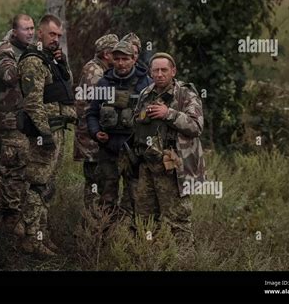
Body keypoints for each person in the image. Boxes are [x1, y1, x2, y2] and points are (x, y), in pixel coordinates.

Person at [131, 52, 206, 252]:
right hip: (148, 165)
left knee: (177, 221)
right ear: (150, 72)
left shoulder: (185, 94)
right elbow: (136, 124)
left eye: (164, 70)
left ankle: (184, 262)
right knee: (145, 219)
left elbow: (196, 126)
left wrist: (169, 114)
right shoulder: (145, 93)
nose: (160, 74)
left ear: (173, 71)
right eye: (155, 70)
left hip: (174, 168)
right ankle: (152, 258)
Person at [17, 14, 76, 257]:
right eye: (52, 34)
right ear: (39, 33)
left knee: (47, 186)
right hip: (45, 134)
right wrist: (45, 133)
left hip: (58, 130)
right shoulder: (33, 60)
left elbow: (65, 87)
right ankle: (30, 237)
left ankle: (42, 234)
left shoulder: (50, 59)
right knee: (37, 186)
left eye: (59, 36)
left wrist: (62, 65)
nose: (56, 39)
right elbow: (33, 103)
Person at [86, 41, 152, 214]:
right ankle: (104, 236)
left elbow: (154, 118)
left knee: (135, 200)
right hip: (108, 150)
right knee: (106, 199)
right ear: (112, 60)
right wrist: (95, 132)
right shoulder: (103, 83)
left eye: (125, 59)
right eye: (117, 59)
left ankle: (130, 237)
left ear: (134, 59)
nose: (121, 63)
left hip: (134, 151)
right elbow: (92, 113)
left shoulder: (146, 83)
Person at [0, 14, 35, 237]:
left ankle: (8, 218)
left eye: (32, 28)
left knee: (17, 169)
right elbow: (8, 76)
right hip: (6, 122)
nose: (30, 32)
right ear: (14, 31)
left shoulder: (31, 51)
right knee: (4, 169)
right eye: (25, 29)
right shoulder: (5, 50)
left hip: (24, 122)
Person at [74, 34, 118, 209]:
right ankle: (93, 223)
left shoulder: (97, 69)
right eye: (116, 53)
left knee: (98, 181)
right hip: (91, 139)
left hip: (92, 136)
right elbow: (98, 108)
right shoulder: (96, 73)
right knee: (96, 183)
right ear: (107, 54)